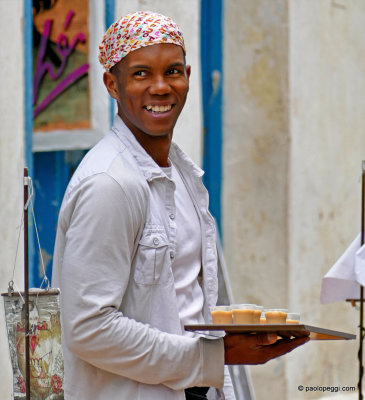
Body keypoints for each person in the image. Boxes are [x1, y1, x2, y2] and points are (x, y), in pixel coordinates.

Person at [52, 11, 308, 400]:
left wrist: (231, 345)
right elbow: (89, 329)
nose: (160, 87)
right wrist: (211, 356)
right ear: (112, 84)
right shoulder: (110, 184)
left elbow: (189, 301)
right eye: (140, 74)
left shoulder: (182, 175)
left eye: (172, 71)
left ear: (188, 75)